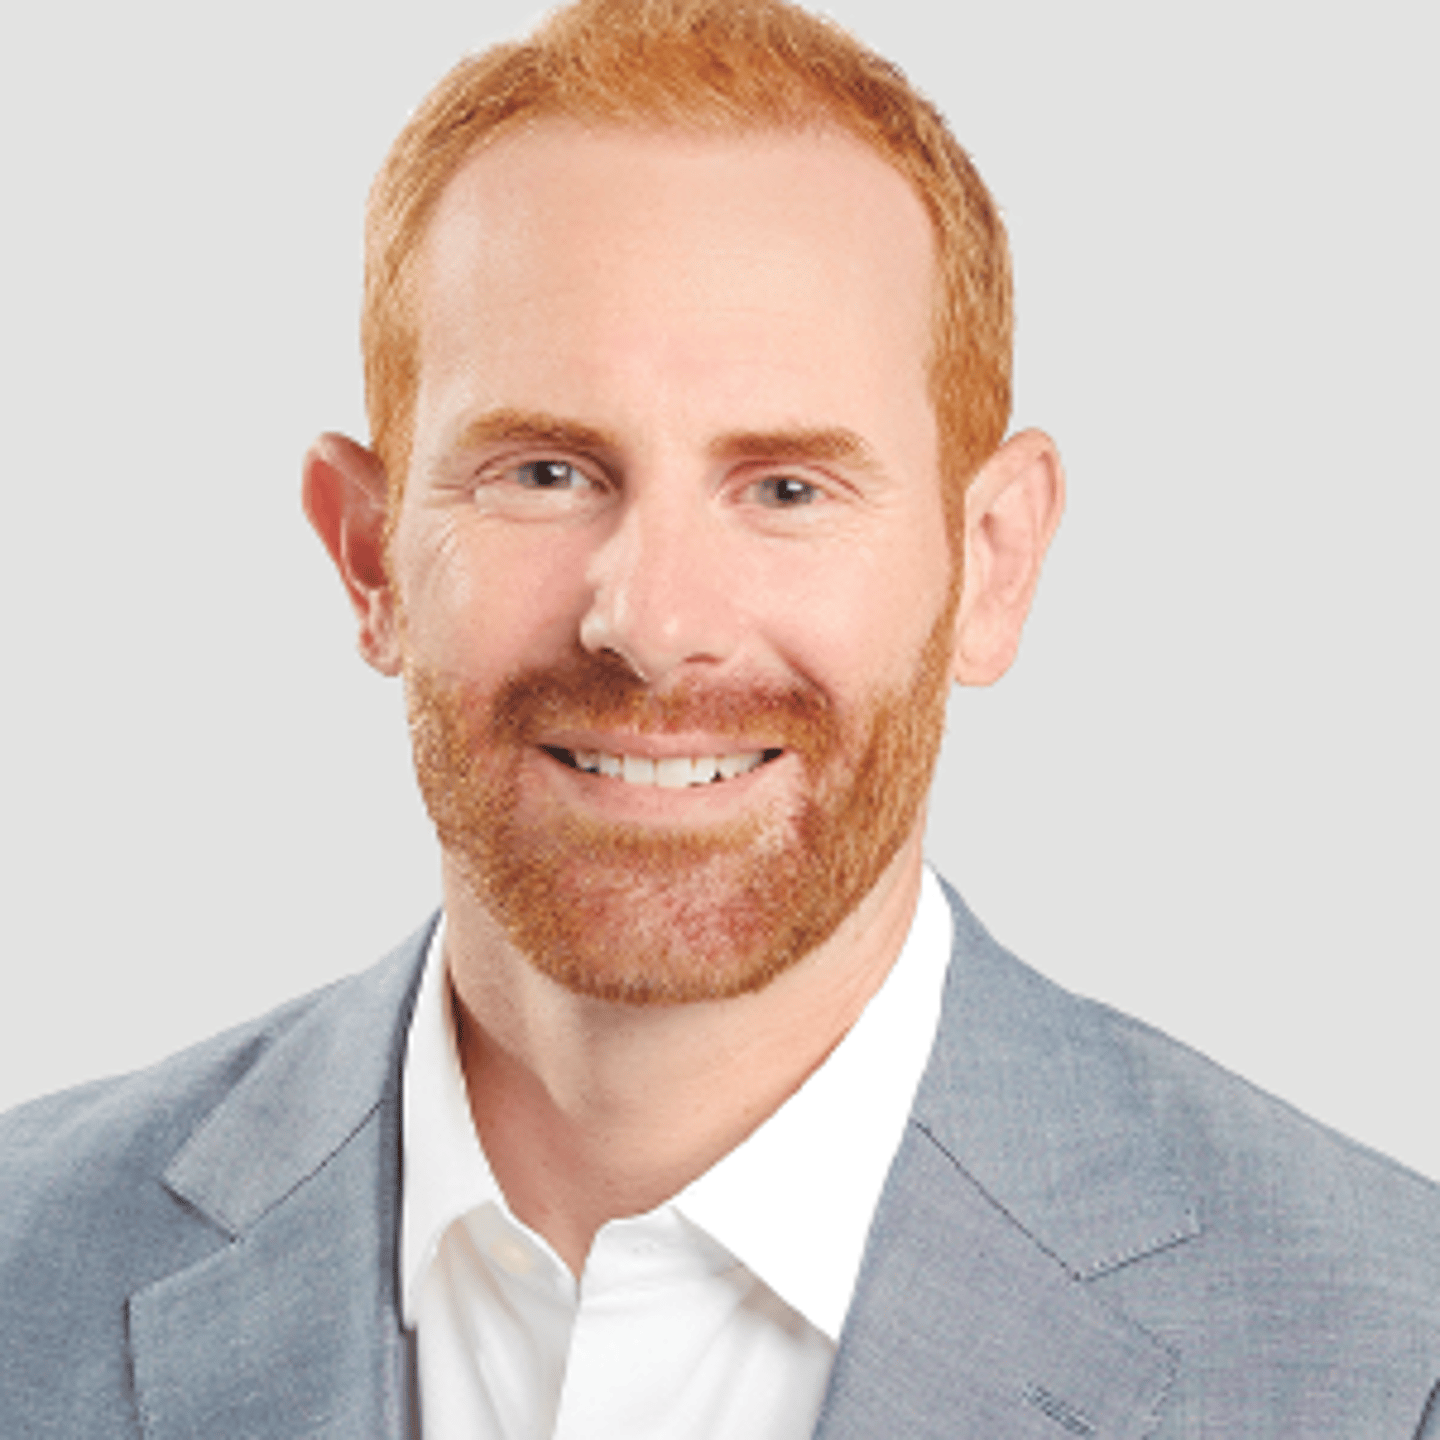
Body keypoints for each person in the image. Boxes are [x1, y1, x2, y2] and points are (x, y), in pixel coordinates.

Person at [3, 0, 1438, 1435]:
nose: (654, 619)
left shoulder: (1389, 1360)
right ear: (369, 557)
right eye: (546, 472)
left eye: (787, 489)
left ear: (993, 563)